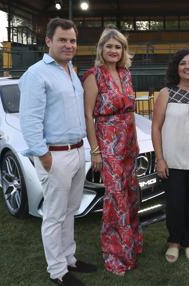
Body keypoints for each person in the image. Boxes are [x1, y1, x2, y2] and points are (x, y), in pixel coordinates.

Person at [19, 18, 96, 286]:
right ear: (49, 41)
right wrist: (44, 156)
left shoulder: (70, 71)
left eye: (72, 40)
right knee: (54, 214)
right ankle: (57, 272)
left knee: (71, 210)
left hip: (76, 152)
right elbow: (29, 120)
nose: (69, 45)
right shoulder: (37, 73)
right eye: (62, 39)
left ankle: (69, 259)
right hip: (55, 155)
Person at [82, 27, 142, 276]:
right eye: (109, 46)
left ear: (123, 51)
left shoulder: (125, 74)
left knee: (130, 195)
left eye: (118, 47)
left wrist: (135, 143)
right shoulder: (93, 75)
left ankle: (132, 246)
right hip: (108, 145)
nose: (114, 51)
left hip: (128, 143)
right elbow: (88, 115)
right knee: (115, 199)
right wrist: (95, 151)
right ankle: (115, 253)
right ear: (101, 49)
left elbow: (129, 112)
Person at [152, 49, 189, 263]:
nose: (187, 66)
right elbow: (156, 128)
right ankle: (174, 241)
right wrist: (160, 158)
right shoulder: (166, 93)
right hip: (172, 160)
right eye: (183, 63)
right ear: (176, 68)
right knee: (175, 204)